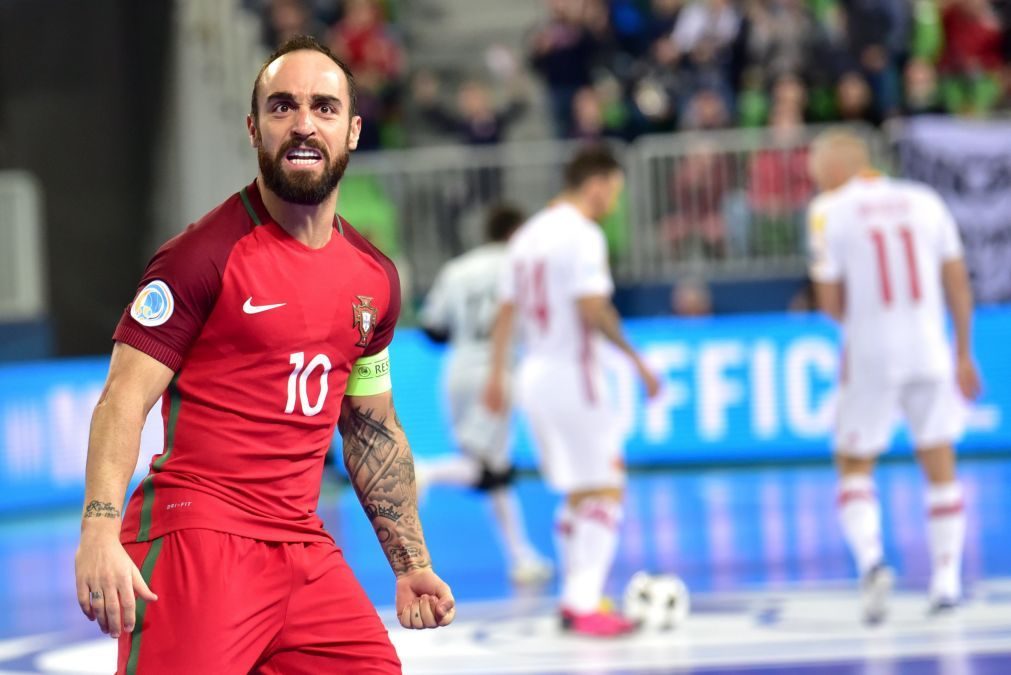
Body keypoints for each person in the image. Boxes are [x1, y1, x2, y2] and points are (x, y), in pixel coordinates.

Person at [74, 36, 454, 674]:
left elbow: (370, 425)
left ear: (354, 130)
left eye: (324, 108)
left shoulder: (374, 278)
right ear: (255, 127)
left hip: (303, 546)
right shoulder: (199, 257)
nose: (304, 124)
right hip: (199, 535)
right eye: (283, 107)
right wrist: (98, 531)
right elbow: (123, 399)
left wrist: (412, 565)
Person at [484, 146, 661, 637]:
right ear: (596, 183)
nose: (613, 204)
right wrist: (637, 360)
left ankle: (575, 595)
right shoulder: (583, 235)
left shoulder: (527, 236)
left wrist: (496, 375)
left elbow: (505, 313)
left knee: (578, 493)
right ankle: (584, 603)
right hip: (574, 373)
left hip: (533, 374)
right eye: (615, 192)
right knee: (607, 487)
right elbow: (592, 307)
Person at [806, 129, 981, 624]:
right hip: (930, 348)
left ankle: (871, 561)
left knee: (853, 463)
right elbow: (958, 284)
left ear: (836, 169)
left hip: (872, 352)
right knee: (940, 463)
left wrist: (857, 334)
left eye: (817, 172)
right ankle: (946, 582)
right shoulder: (925, 201)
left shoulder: (830, 212)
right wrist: (963, 352)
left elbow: (831, 304)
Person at [417, 205, 553, 586]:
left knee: (492, 466)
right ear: (515, 233)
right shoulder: (520, 268)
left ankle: (521, 557)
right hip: (497, 372)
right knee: (489, 470)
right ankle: (424, 473)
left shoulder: (458, 269)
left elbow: (432, 328)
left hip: (457, 372)